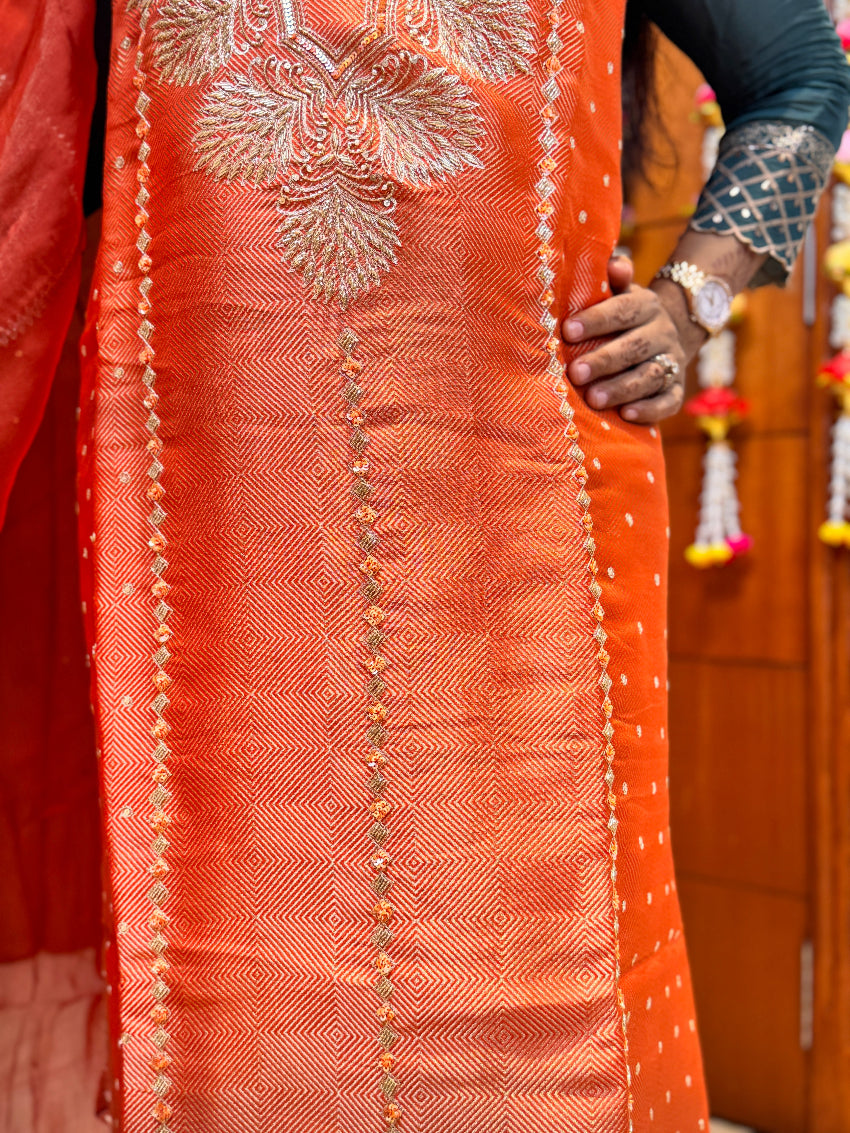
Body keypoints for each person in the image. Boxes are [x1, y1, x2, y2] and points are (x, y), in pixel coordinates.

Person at [0, 0, 847, 1129]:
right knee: (231, 942)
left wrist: (691, 304)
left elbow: (798, 77)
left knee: (533, 964)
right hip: (210, 501)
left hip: (520, 516)